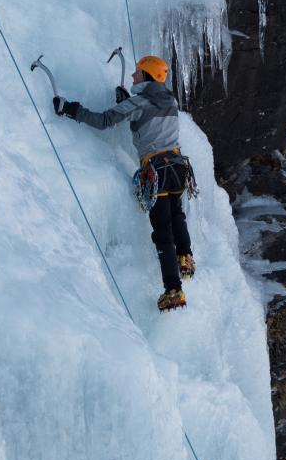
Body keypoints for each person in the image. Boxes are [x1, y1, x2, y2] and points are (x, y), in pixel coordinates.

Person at [53, 54, 195, 311]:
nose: (132, 76)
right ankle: (185, 257)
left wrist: (70, 109)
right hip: (177, 168)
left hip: (157, 171)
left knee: (162, 231)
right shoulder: (171, 100)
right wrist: (128, 101)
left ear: (147, 76)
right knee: (177, 215)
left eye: (137, 72)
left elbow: (105, 120)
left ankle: (174, 290)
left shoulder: (139, 102)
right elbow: (149, 115)